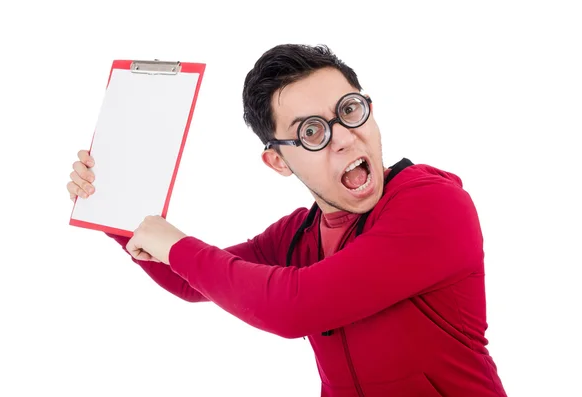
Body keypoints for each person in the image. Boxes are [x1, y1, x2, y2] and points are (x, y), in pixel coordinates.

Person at [67, 44, 508, 396]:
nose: (343, 138)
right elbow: (189, 280)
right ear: (277, 161)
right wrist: (113, 208)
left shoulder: (433, 205)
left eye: (350, 110)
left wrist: (175, 242)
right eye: (311, 132)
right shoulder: (298, 234)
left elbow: (293, 306)